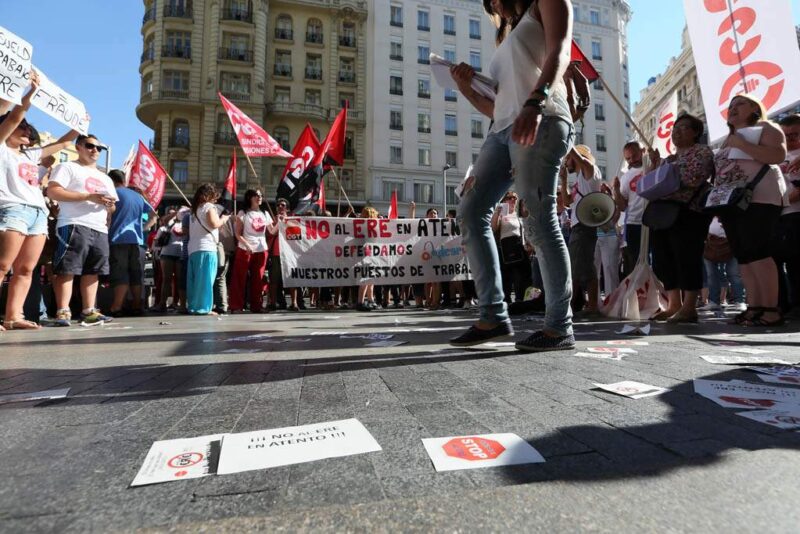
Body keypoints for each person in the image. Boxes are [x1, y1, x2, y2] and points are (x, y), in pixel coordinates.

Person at [449, 0, 575, 351]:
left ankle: (559, 326)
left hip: (544, 116)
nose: (495, 5)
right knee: (471, 211)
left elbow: (560, 52)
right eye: (490, 4)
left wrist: (535, 102)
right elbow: (498, 105)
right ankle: (492, 315)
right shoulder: (505, 34)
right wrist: (466, 89)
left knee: (537, 219)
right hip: (502, 129)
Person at [0, 74, 79, 331]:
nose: (26, 130)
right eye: (22, 127)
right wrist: (29, 95)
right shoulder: (1, 146)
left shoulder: (31, 154)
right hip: (12, 209)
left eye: (27, 127)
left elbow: (64, 142)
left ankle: (13, 316)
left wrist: (79, 123)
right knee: (2, 265)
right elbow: (13, 116)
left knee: (26, 269)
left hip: (37, 213)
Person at [713, 94, 787, 327]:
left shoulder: (767, 128)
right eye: (730, 106)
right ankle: (754, 307)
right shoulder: (728, 138)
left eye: (739, 105)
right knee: (744, 257)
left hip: (760, 199)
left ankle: (771, 309)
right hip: (731, 204)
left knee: (760, 253)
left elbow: (778, 155)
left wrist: (742, 145)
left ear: (755, 108)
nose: (732, 109)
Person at [645, 113, 714, 323]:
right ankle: (673, 304)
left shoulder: (702, 152)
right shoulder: (668, 159)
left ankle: (689, 306)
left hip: (689, 212)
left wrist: (666, 176)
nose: (676, 131)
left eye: (683, 127)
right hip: (663, 214)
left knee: (687, 257)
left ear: (695, 132)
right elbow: (650, 186)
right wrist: (656, 167)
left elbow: (692, 178)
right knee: (663, 259)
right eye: (675, 128)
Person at [47, 134, 118, 326]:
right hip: (73, 223)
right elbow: (53, 191)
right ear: (78, 147)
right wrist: (87, 196)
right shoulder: (67, 167)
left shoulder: (105, 177)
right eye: (90, 146)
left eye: (98, 148)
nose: (95, 150)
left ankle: (89, 310)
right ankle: (63, 310)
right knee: (67, 269)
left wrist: (109, 204)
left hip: (99, 227)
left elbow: (112, 208)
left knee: (93, 270)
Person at [107, 170, 157, 316]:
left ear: (112, 180)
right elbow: (154, 215)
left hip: (118, 238)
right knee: (136, 274)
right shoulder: (138, 196)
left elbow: (107, 215)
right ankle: (137, 306)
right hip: (136, 239)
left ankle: (116, 307)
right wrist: (142, 229)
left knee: (120, 273)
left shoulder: (113, 193)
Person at [560, 144, 602, 314]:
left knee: (575, 268)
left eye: (567, 159)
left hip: (584, 226)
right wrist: (563, 181)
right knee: (586, 267)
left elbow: (579, 158)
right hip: (580, 226)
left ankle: (566, 308)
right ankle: (591, 306)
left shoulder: (590, 170)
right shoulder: (580, 179)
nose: (566, 163)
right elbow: (567, 201)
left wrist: (566, 138)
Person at [186, 184, 230, 315]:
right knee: (206, 280)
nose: (215, 200)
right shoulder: (209, 207)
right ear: (208, 196)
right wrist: (224, 219)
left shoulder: (194, 210)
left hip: (193, 248)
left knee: (194, 280)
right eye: (214, 196)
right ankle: (204, 308)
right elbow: (214, 224)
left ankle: (194, 306)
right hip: (206, 248)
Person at [230, 189, 275, 313]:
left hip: (261, 249)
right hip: (245, 249)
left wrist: (281, 221)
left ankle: (257, 306)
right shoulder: (243, 213)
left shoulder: (265, 213)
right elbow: (237, 234)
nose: (259, 197)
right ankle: (236, 306)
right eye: (256, 195)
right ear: (250, 197)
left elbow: (272, 231)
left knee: (258, 279)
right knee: (240, 278)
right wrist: (247, 245)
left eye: (261, 195)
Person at [776, 114, 800, 316]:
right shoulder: (775, 157)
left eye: (795, 135)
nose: (790, 140)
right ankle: (782, 304)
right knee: (776, 261)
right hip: (777, 216)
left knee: (795, 262)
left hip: (795, 214)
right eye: (786, 135)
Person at [613, 141, 647, 274]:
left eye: (635, 156)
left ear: (642, 151)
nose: (632, 160)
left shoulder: (653, 166)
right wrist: (616, 189)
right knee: (635, 264)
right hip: (634, 223)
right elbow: (622, 206)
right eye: (628, 158)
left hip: (654, 223)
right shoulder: (626, 177)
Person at [492, 191, 531, 303]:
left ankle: (522, 300)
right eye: (509, 198)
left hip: (520, 247)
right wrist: (497, 213)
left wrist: (528, 244)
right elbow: (494, 228)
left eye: (515, 198)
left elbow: (525, 231)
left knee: (523, 276)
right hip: (505, 248)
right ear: (504, 201)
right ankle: (506, 300)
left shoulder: (519, 215)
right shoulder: (501, 214)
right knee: (506, 276)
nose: (513, 200)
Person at [702, 216, 745, 312]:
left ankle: (740, 301)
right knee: (711, 275)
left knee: (733, 273)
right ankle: (713, 301)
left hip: (731, 241)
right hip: (710, 243)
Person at [152, 207, 187, 311]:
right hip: (167, 253)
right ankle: (162, 304)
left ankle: (182, 304)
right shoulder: (169, 223)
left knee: (180, 280)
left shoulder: (188, 222)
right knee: (166, 279)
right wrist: (177, 212)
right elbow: (163, 220)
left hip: (181, 254)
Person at [267, 198, 287, 310]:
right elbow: (269, 235)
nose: (280, 207)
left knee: (289, 280)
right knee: (274, 279)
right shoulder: (271, 221)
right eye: (278, 205)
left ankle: (295, 302)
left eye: (283, 205)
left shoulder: (291, 220)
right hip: (275, 254)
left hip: (289, 255)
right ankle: (273, 302)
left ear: (287, 208)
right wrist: (277, 223)